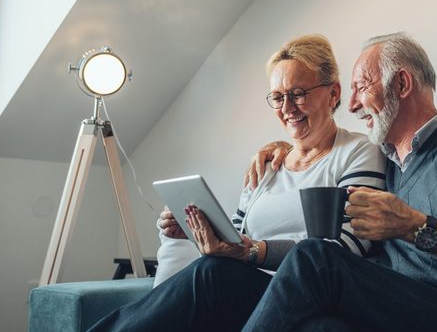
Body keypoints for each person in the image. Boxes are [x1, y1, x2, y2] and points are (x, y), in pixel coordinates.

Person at [242, 32, 437, 332]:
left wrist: (416, 227)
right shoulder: (386, 163)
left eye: (361, 87)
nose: (351, 105)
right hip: (407, 307)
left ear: (402, 83)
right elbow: (321, 146)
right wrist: (289, 149)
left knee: (313, 258)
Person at [87, 34, 385, 332]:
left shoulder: (358, 152)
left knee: (212, 273)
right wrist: (193, 232)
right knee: (213, 270)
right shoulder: (267, 165)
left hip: (302, 293)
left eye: (298, 93)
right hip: (246, 292)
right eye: (278, 97)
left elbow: (348, 246)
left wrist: (254, 250)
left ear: (333, 93)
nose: (287, 108)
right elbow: (236, 236)